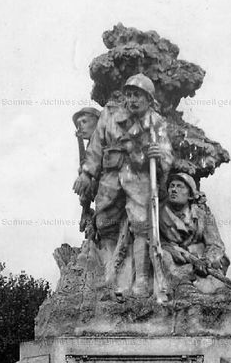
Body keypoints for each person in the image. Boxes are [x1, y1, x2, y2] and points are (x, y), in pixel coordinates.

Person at [73, 74, 173, 297]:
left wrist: (161, 155)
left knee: (141, 224)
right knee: (103, 222)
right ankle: (112, 275)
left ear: (148, 99)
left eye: (138, 95)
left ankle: (142, 280)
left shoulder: (155, 122)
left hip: (138, 177)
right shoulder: (109, 114)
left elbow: (166, 152)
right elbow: (96, 147)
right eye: (129, 94)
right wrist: (87, 174)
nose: (132, 100)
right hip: (111, 176)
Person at [159, 173, 231, 294]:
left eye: (180, 186)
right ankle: (182, 288)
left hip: (201, 261)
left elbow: (216, 244)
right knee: (163, 255)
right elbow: (157, 241)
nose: (174, 190)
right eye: (172, 186)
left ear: (190, 195)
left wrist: (206, 260)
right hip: (176, 260)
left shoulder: (203, 215)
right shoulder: (159, 214)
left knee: (218, 289)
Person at [72, 107, 101, 234]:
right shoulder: (91, 145)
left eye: (84, 122)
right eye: (78, 124)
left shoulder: (102, 141)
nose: (80, 127)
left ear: (97, 121)